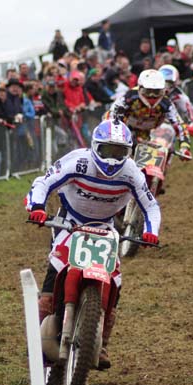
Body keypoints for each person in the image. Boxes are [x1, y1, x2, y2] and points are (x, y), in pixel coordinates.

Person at [26, 119, 160, 368]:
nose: (112, 159)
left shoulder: (131, 172)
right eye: (107, 151)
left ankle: (102, 343)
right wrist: (36, 207)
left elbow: (151, 205)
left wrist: (152, 231)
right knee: (53, 276)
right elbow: (43, 182)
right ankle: (36, 342)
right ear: (95, 147)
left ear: (128, 152)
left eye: (118, 152)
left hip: (105, 227)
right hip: (69, 222)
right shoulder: (78, 161)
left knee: (115, 281)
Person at [108, 69, 191, 160]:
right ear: (140, 88)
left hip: (148, 134)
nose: (152, 96)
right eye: (148, 92)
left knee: (166, 138)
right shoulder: (129, 97)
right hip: (125, 130)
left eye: (156, 92)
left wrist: (185, 147)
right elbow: (112, 115)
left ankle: (159, 170)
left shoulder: (166, 103)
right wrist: (119, 137)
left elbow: (179, 124)